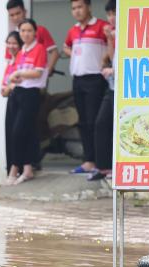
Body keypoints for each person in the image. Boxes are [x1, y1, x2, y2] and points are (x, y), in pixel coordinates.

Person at [64, 0, 109, 174]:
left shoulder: (101, 26)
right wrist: (75, 54)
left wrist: (104, 59)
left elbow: (114, 44)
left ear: (89, 7)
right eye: (73, 8)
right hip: (78, 79)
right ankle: (89, 160)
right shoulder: (73, 30)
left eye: (80, 7)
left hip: (95, 78)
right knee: (83, 122)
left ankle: (100, 161)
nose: (76, 11)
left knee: (94, 122)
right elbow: (66, 47)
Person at [7, 19, 47, 185]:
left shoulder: (39, 49)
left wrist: (19, 74)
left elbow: (37, 73)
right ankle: (28, 169)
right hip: (18, 92)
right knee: (25, 132)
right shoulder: (22, 50)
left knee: (19, 132)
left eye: (29, 30)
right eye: (22, 31)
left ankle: (15, 168)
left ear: (35, 32)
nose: (25, 34)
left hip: (31, 94)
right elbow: (17, 74)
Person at [89, 0, 116, 181]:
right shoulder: (113, 32)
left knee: (112, 126)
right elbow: (113, 57)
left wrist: (113, 70)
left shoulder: (131, 32)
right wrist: (109, 38)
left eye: (115, 13)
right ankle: (104, 167)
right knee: (101, 124)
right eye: (109, 14)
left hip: (125, 88)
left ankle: (113, 167)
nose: (111, 18)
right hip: (113, 86)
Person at [5, 0, 59, 78]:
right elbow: (10, 62)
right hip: (18, 82)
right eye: (12, 15)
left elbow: (54, 52)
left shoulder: (40, 30)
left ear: (25, 12)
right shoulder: (11, 37)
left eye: (18, 13)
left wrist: (47, 71)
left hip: (36, 80)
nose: (15, 17)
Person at [1, 31, 23, 181]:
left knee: (17, 134)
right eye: (9, 43)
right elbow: (4, 87)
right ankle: (11, 169)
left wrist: (9, 86)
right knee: (9, 134)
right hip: (11, 100)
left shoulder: (22, 59)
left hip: (21, 98)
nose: (11, 46)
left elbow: (18, 82)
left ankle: (17, 168)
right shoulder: (10, 62)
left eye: (14, 43)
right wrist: (8, 87)